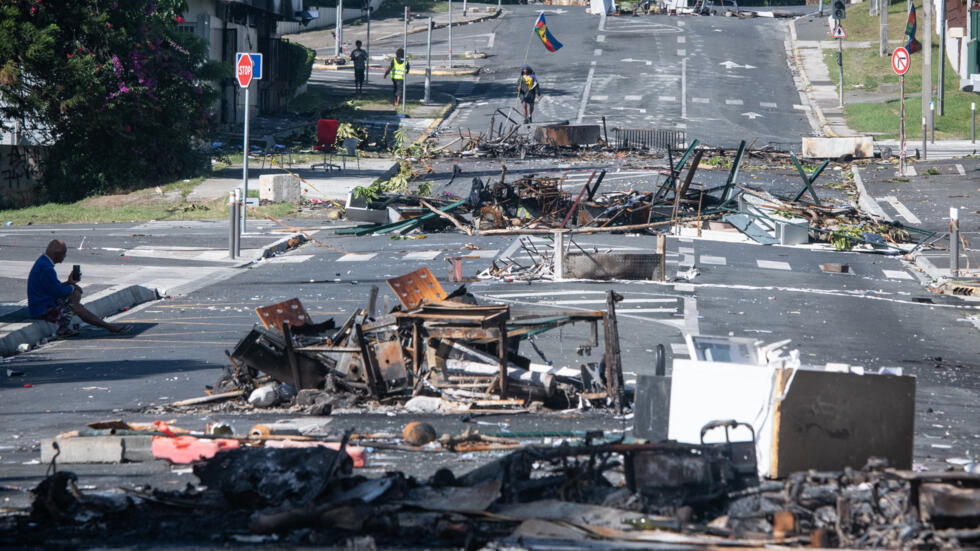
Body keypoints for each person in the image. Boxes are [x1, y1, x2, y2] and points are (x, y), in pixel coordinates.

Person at [27, 240, 130, 336]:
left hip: (42, 303)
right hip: (42, 309)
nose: (64, 257)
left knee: (75, 296)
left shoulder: (42, 262)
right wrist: (72, 287)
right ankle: (109, 326)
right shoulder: (47, 269)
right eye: (63, 254)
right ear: (56, 255)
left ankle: (64, 328)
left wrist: (69, 283)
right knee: (76, 306)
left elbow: (50, 288)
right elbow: (57, 292)